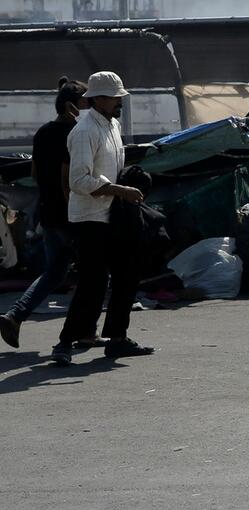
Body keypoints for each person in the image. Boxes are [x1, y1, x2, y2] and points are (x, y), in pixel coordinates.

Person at [50, 71, 154, 364]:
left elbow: (110, 166)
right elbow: (80, 180)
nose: (119, 102)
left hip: (113, 214)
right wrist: (121, 189)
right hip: (90, 218)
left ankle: (117, 339)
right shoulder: (84, 131)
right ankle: (64, 343)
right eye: (114, 97)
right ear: (98, 99)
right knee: (92, 283)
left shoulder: (112, 125)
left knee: (126, 276)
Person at [0, 77, 106, 350]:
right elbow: (66, 179)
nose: (92, 105)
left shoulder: (43, 132)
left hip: (48, 212)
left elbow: (36, 173)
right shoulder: (77, 132)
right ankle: (85, 332)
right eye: (87, 101)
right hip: (71, 214)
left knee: (55, 273)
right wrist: (76, 213)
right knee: (94, 272)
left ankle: (14, 316)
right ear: (73, 105)